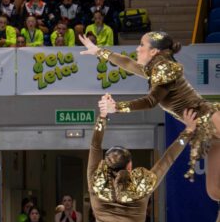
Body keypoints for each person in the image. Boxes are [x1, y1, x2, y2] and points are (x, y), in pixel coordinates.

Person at [80, 31, 220, 187]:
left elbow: (151, 101)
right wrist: (98, 51)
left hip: (210, 117)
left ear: (154, 51)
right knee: (214, 191)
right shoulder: (156, 68)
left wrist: (117, 107)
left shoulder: (166, 68)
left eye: (142, 45)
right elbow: (128, 64)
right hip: (205, 130)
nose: (137, 49)